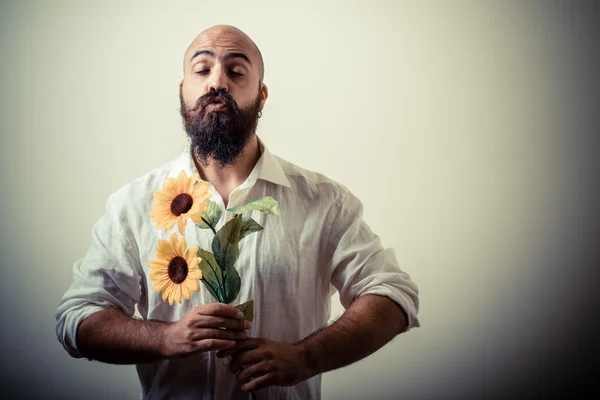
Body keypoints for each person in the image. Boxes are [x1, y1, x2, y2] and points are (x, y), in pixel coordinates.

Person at [55, 25, 420, 400]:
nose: (218, 83)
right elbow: (79, 316)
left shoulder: (324, 202)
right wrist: (167, 338)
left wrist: (307, 357)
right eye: (201, 70)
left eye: (236, 71)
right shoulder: (133, 206)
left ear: (261, 96)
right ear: (182, 91)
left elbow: (392, 293)